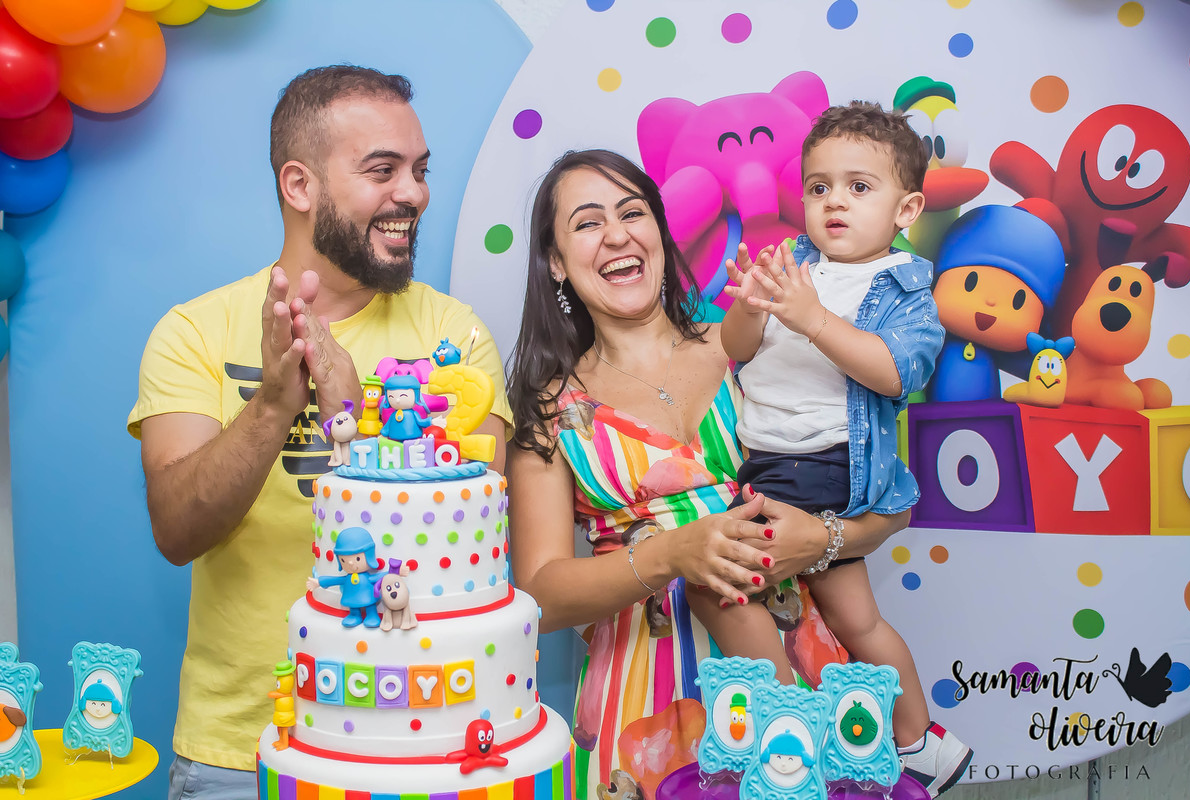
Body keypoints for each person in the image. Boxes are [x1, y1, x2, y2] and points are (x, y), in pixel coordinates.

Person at [127, 65, 511, 799]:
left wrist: (356, 426)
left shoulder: (454, 336)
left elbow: (473, 536)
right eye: (383, 170)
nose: (414, 194)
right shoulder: (193, 332)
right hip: (241, 756)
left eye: (421, 170)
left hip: (428, 742)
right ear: (299, 186)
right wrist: (275, 405)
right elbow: (177, 531)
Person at [505, 148, 911, 800]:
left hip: (799, 676)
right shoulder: (548, 411)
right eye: (587, 223)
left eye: (632, 213)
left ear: (659, 234)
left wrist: (822, 540)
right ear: (555, 261)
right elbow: (541, 597)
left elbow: (891, 501)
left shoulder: (755, 346)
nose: (616, 234)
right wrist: (671, 554)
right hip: (649, 706)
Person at [713, 101, 970, 798]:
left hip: (825, 465)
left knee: (729, 587)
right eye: (819, 187)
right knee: (854, 619)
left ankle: (808, 749)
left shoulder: (905, 290)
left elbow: (896, 373)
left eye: (859, 187)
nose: (834, 202)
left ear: (905, 208)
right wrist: (748, 306)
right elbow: (737, 352)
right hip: (764, 459)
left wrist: (814, 319)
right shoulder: (793, 265)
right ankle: (920, 742)